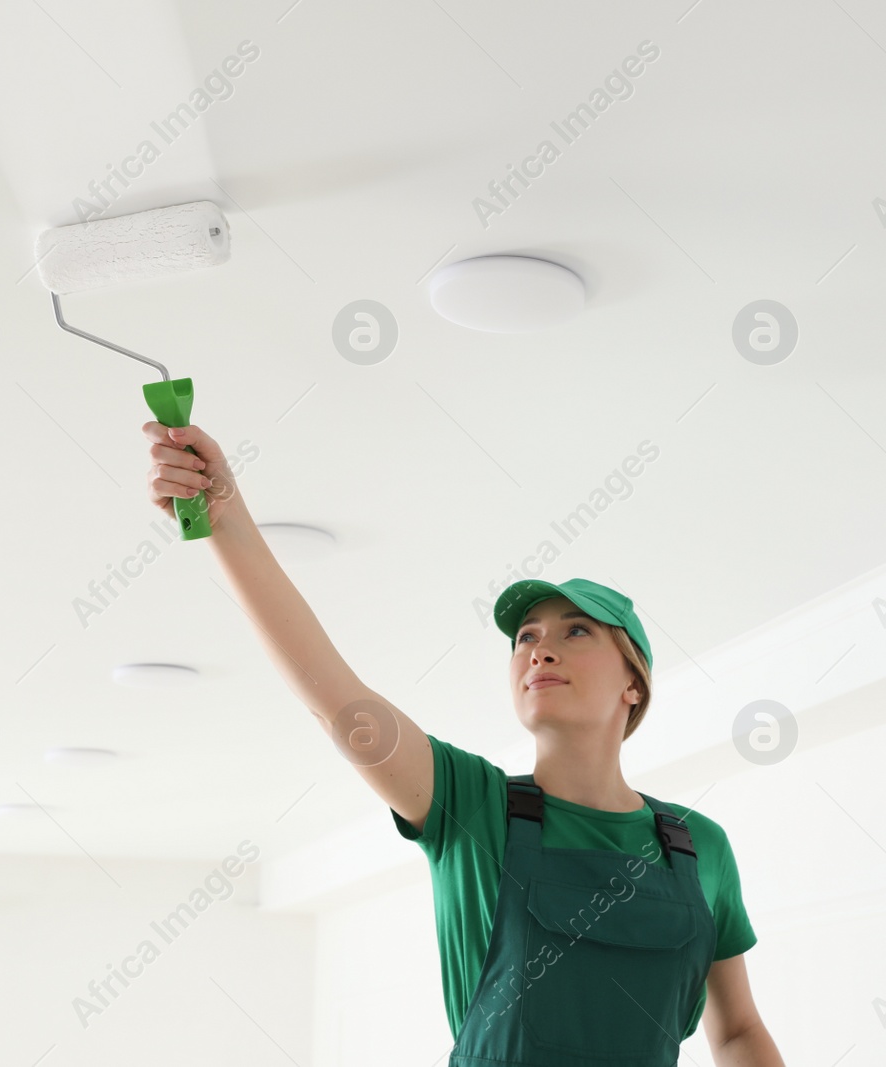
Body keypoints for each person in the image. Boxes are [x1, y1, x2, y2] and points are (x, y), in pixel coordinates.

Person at [141, 420, 786, 1066]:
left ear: (633, 685)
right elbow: (336, 697)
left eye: (578, 630)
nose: (540, 649)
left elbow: (736, 1031)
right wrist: (225, 518)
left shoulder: (698, 847)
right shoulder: (471, 806)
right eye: (526, 636)